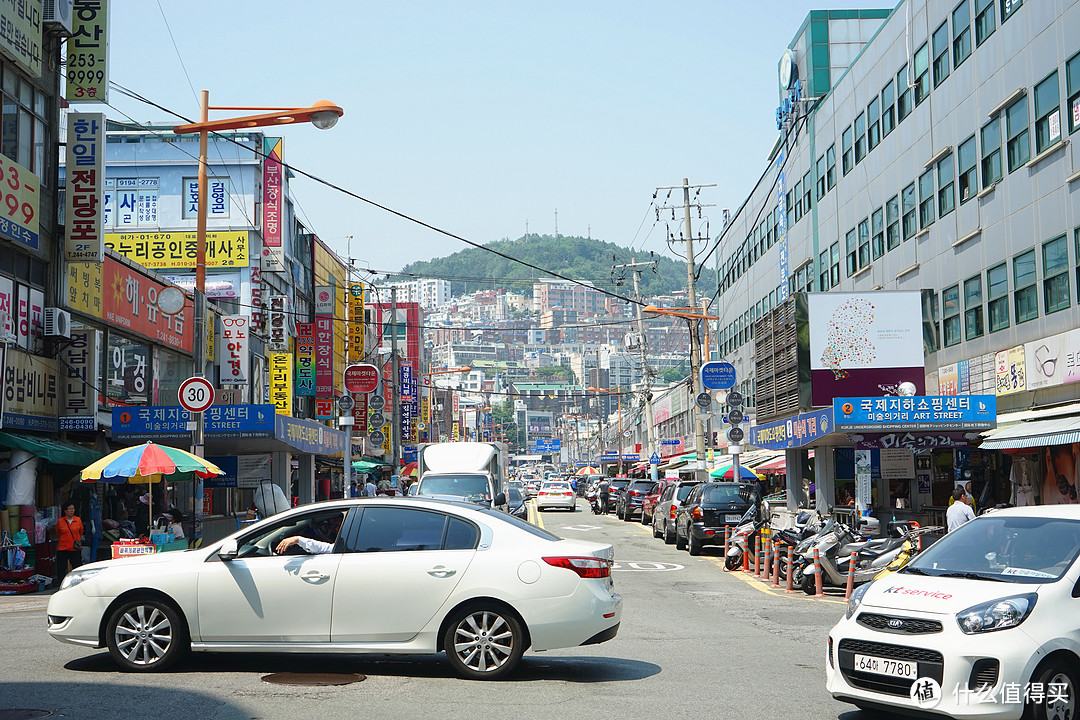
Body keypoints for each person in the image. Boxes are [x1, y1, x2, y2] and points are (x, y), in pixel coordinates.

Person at [55, 502, 85, 586]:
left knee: (77, 567)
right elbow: (58, 532)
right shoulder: (61, 521)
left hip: (74, 547)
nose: (72, 511)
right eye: (70, 509)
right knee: (61, 568)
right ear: (65, 511)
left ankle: (78, 583)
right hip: (62, 547)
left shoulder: (78, 520)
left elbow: (81, 531)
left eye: (73, 509)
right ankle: (61, 583)